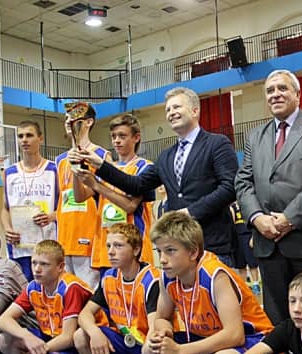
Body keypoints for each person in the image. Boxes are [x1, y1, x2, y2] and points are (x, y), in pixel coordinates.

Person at [73, 87, 238, 266]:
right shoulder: (166, 156)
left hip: (211, 244)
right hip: (177, 247)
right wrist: (100, 164)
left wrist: (191, 212)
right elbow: (136, 185)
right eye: (168, 109)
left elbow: (229, 187)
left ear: (195, 111)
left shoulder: (217, 143)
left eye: (177, 107)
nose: (171, 113)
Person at [141, 211, 273, 354]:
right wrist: (163, 332)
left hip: (253, 342)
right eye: (159, 251)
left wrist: (180, 350)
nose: (162, 259)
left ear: (193, 252)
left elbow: (235, 335)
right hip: (209, 340)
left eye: (170, 251)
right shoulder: (168, 277)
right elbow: (162, 317)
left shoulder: (214, 275)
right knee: (151, 350)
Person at [235, 69, 302, 325]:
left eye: (282, 88)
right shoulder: (255, 137)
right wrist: (257, 217)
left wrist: (288, 219)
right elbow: (243, 182)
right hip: (269, 246)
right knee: (278, 323)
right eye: (270, 90)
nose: (275, 94)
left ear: (298, 94)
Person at [73, 223, 175, 354]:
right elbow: (84, 314)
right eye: (108, 246)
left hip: (155, 348)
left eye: (118, 246)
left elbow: (155, 331)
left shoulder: (152, 280)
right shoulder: (109, 278)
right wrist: (94, 333)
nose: (111, 252)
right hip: (129, 343)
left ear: (136, 250)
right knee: (81, 336)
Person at [0, 240, 100, 354]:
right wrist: (27, 336)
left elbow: (68, 337)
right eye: (34, 263)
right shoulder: (34, 287)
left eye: (44, 264)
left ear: (60, 267)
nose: (37, 269)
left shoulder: (70, 287)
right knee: (5, 340)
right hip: (53, 338)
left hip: (81, 345)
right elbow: (3, 320)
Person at [72, 114, 155, 274]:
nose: (116, 141)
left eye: (122, 136)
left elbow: (130, 206)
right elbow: (79, 197)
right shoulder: (106, 169)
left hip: (133, 247)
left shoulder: (145, 167)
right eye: (113, 136)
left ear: (136, 137)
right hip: (106, 245)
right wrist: (76, 170)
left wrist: (96, 185)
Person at [54, 103, 105, 290]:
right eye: (66, 118)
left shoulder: (100, 155)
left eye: (74, 117)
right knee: (67, 293)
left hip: (88, 237)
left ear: (89, 122)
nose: (69, 121)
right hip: (64, 238)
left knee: (88, 293)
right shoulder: (60, 160)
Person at [0, 120, 58, 281]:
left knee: (47, 287)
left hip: (48, 242)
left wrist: (51, 216)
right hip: (19, 246)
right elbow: (5, 209)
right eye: (20, 136)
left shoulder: (55, 169)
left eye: (29, 135)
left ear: (40, 138)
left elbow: (66, 207)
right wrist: (7, 229)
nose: (24, 140)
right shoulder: (9, 172)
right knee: (23, 290)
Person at [230, 201, 261, 295]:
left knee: (252, 263)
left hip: (248, 235)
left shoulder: (247, 205)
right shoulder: (232, 207)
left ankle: (255, 284)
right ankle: (242, 286)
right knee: (241, 265)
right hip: (237, 237)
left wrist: (253, 237)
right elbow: (232, 223)